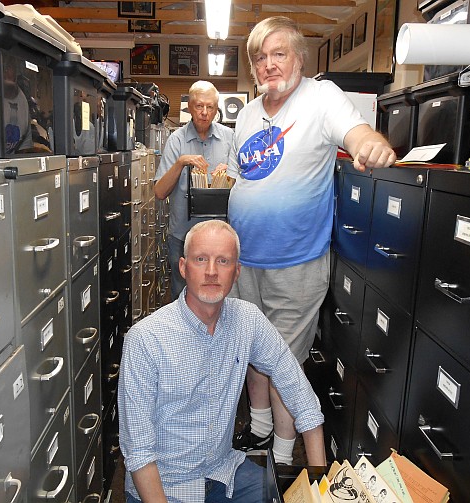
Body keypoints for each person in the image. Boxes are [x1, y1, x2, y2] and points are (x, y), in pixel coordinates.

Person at [227, 16, 396, 465]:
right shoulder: (247, 113)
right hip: (245, 261)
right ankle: (260, 430)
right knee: (252, 350)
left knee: (283, 364)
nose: (269, 64)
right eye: (260, 58)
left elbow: (355, 132)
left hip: (295, 262)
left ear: (299, 57)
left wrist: (370, 144)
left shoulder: (321, 98)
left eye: (278, 53)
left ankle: (284, 458)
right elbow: (241, 176)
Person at [118, 220, 326, 502]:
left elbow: (304, 401)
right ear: (183, 267)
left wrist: (322, 487)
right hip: (164, 484)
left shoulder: (248, 320)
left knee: (283, 496)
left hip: (224, 472)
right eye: (201, 259)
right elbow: (139, 451)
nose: (212, 271)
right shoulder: (145, 339)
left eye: (224, 261)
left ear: (237, 271)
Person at [154, 81, 234, 300]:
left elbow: (245, 185)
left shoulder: (230, 138)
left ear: (217, 109)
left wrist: (231, 173)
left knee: (221, 295)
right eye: (199, 106)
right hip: (182, 237)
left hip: (220, 237)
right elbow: (160, 192)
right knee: (181, 294)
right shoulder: (176, 140)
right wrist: (180, 163)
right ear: (189, 107)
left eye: (210, 107)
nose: (205, 113)